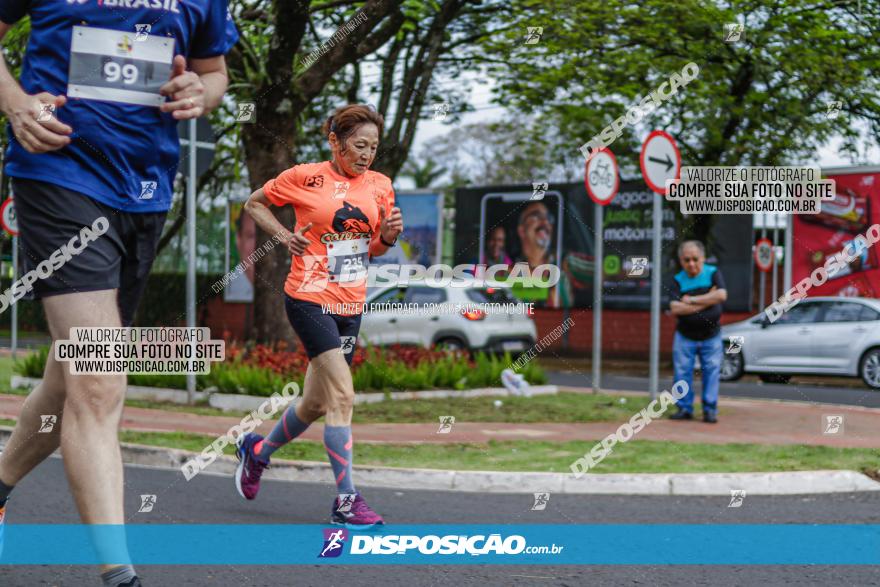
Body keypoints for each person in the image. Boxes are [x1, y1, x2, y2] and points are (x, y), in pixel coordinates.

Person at [0, 3, 237, 585]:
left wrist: (199, 93)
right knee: (99, 377)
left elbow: (215, 73)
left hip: (147, 188)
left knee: (71, 376)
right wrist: (15, 102)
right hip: (59, 171)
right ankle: (118, 573)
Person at [234, 104, 403, 528]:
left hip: (351, 303)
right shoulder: (304, 176)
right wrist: (284, 235)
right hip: (309, 297)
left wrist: (387, 236)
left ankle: (256, 452)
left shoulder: (381, 185)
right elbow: (255, 204)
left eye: (373, 147)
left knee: (314, 403)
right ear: (335, 141)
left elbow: (374, 248)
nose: (367, 154)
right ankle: (346, 500)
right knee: (343, 397)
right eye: (359, 145)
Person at [668, 240, 728, 423]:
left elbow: (722, 296)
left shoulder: (713, 273)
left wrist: (691, 301)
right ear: (681, 260)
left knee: (711, 372)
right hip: (685, 336)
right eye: (687, 260)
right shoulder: (677, 279)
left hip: (712, 336)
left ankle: (710, 410)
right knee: (682, 373)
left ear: (703, 258)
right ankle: (684, 408)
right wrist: (708, 299)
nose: (691, 264)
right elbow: (675, 309)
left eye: (695, 259)